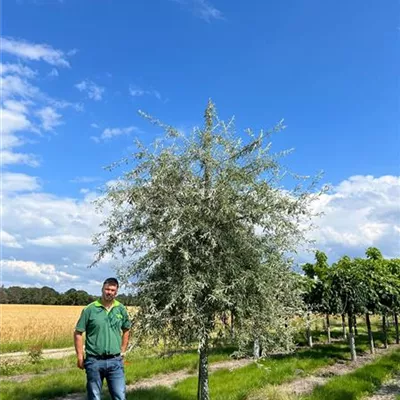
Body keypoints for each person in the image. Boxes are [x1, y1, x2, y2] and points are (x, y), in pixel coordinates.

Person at [74, 277, 131, 400]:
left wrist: (123, 350)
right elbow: (78, 332)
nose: (109, 292)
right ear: (102, 289)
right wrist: (79, 356)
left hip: (115, 361)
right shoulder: (90, 309)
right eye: (107, 289)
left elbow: (126, 329)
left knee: (120, 396)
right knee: (94, 397)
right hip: (94, 361)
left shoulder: (121, 309)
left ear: (116, 292)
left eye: (112, 290)